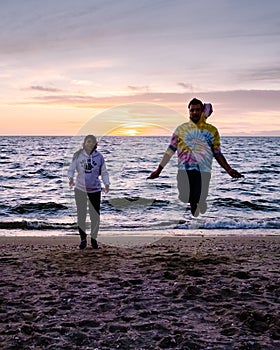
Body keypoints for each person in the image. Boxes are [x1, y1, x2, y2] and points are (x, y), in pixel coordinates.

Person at [148, 98, 243, 217]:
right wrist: (158, 170)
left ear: (202, 111)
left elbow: (217, 153)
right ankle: (197, 202)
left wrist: (228, 169)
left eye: (198, 110)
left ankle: (199, 202)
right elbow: (170, 150)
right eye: (192, 110)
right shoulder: (181, 129)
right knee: (183, 197)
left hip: (203, 171)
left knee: (196, 199)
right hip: (184, 170)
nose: (194, 112)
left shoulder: (211, 131)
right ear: (188, 112)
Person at [68, 135, 110, 249]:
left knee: (95, 216)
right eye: (88, 142)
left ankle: (94, 239)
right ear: (84, 143)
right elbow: (71, 169)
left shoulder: (99, 157)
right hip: (80, 189)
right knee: (81, 215)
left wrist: (107, 184)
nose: (90, 144)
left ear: (96, 144)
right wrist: (70, 178)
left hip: (95, 190)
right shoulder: (77, 155)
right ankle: (82, 240)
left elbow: (104, 172)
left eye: (92, 142)